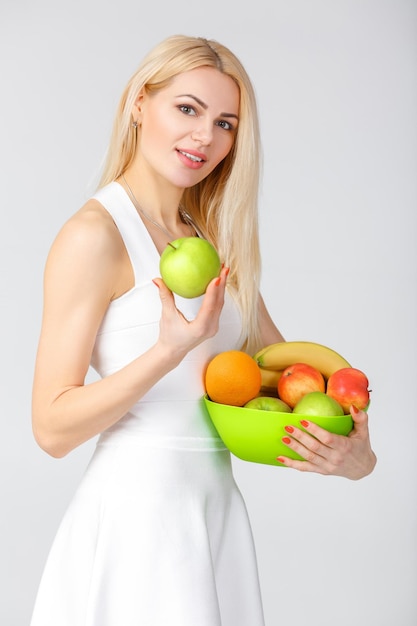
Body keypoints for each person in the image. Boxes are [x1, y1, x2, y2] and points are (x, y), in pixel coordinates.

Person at [30, 34, 376, 626]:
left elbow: (284, 383)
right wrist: (167, 352)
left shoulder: (213, 241)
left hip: (214, 511)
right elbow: (51, 427)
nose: (204, 138)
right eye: (186, 109)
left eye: (225, 123)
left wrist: (355, 457)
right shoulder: (94, 235)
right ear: (140, 103)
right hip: (135, 521)